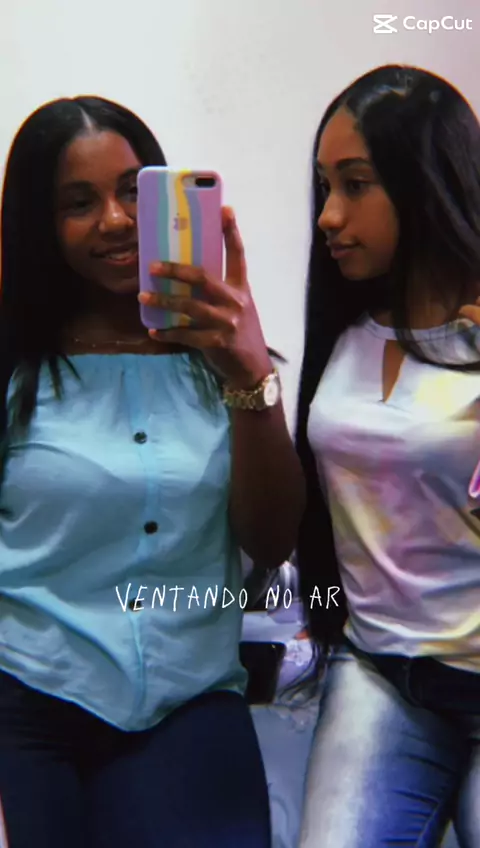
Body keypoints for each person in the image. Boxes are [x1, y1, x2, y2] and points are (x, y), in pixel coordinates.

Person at [0, 96, 306, 848]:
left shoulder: (222, 361)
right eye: (78, 203)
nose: (114, 220)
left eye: (132, 192)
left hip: (189, 699)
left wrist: (250, 376)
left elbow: (271, 541)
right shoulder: (16, 369)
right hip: (30, 699)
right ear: (40, 224)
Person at [294, 65, 480, 847]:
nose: (329, 216)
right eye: (324, 187)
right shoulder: (346, 333)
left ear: (426, 183)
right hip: (380, 668)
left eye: (356, 184)